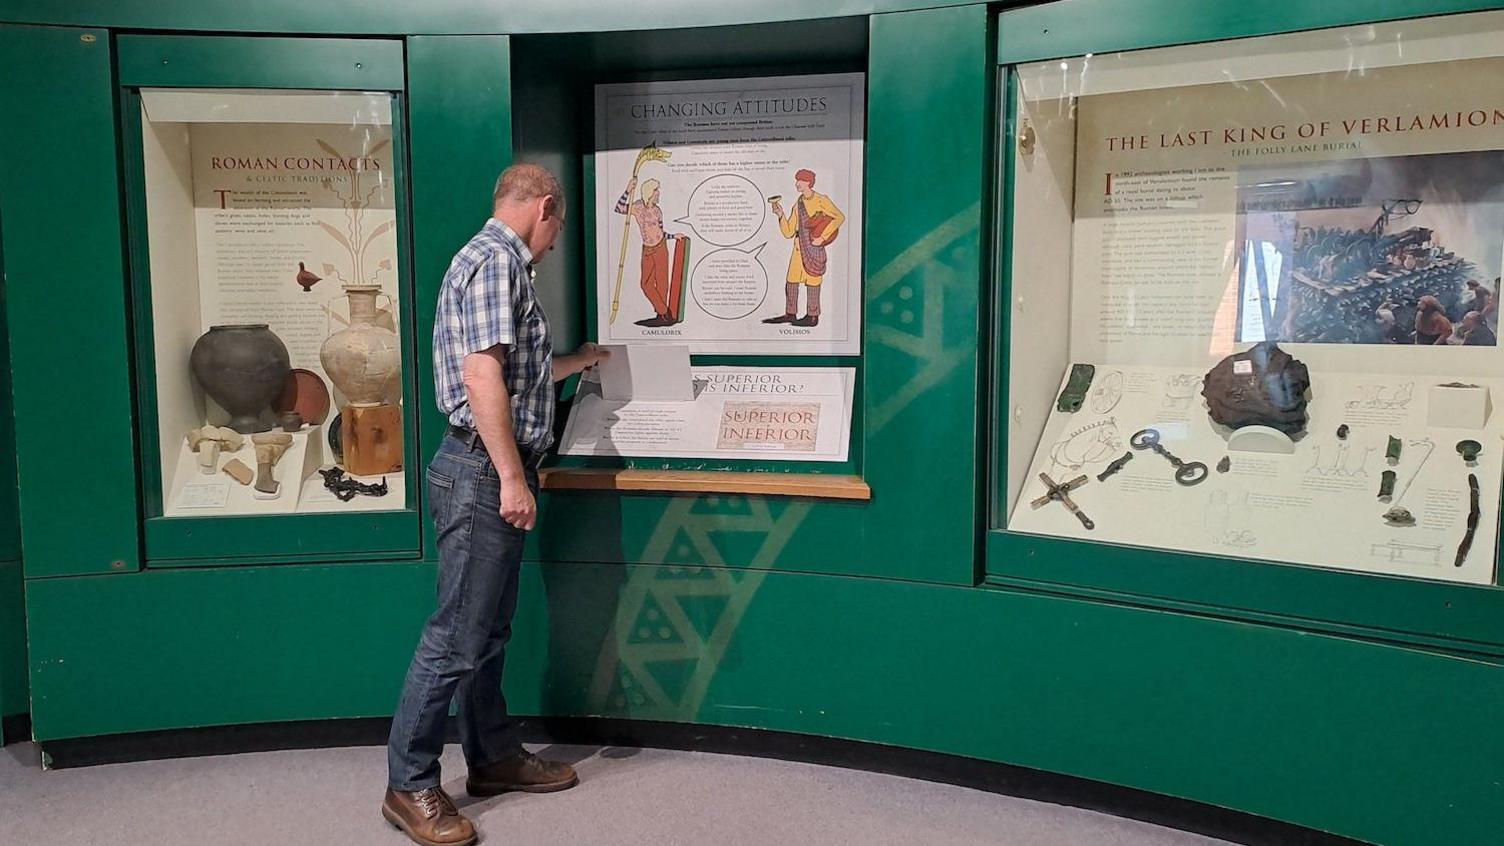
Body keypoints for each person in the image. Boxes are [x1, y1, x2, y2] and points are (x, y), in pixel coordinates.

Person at [383, 163, 609, 846]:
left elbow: (518, 370)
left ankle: (492, 757)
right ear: (545, 208)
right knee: (456, 635)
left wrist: (581, 361)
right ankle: (409, 783)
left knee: (488, 632)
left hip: (488, 468)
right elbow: (482, 376)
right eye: (556, 230)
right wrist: (512, 478)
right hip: (482, 471)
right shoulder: (496, 262)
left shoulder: (497, 265)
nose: (552, 244)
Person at [762, 168, 845, 327]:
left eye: (799, 181)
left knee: (813, 281)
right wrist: (780, 215)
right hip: (798, 248)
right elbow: (788, 232)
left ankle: (812, 316)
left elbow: (839, 217)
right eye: (797, 181)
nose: (797, 184)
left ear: (808, 182)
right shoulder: (798, 204)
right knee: (791, 281)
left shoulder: (821, 200)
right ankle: (790, 314)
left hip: (814, 247)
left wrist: (823, 237)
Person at [616, 176, 682, 327]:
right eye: (656, 191)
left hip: (661, 248)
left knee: (662, 284)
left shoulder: (658, 211)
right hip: (647, 249)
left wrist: (673, 236)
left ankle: (662, 315)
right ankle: (664, 312)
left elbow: (661, 231)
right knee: (646, 284)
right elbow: (619, 208)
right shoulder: (638, 207)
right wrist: (627, 190)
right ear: (649, 193)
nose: (658, 194)